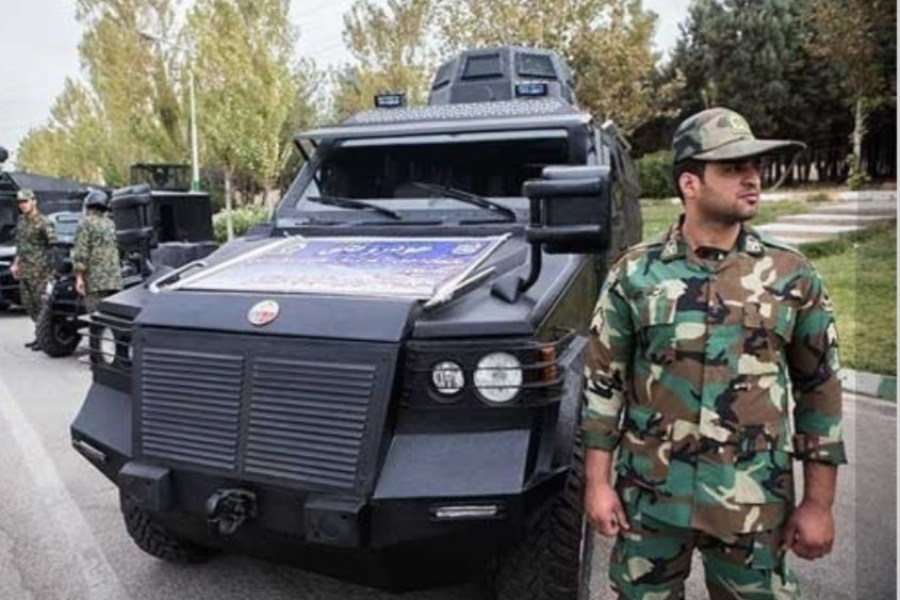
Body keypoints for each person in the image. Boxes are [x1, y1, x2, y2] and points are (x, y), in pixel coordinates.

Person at [582, 107, 845, 599]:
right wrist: (597, 484)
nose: (752, 179)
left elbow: (820, 391)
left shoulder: (792, 275)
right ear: (690, 183)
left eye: (755, 166)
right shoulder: (634, 275)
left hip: (753, 503)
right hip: (652, 503)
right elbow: (603, 386)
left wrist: (819, 503)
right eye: (733, 168)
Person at [10, 189, 53, 349]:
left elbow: (53, 246)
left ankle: (45, 338)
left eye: (25, 201)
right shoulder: (22, 221)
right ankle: (39, 335)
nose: (23, 205)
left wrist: (50, 269)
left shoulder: (43, 222)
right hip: (25, 270)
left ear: (34, 201)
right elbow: (20, 246)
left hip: (40, 271)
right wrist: (16, 264)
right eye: (20, 202)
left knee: (41, 305)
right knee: (28, 304)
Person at [72, 189, 123, 311]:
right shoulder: (111, 224)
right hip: (114, 281)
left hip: (95, 282)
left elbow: (81, 251)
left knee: (95, 316)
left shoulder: (86, 223)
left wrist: (79, 277)